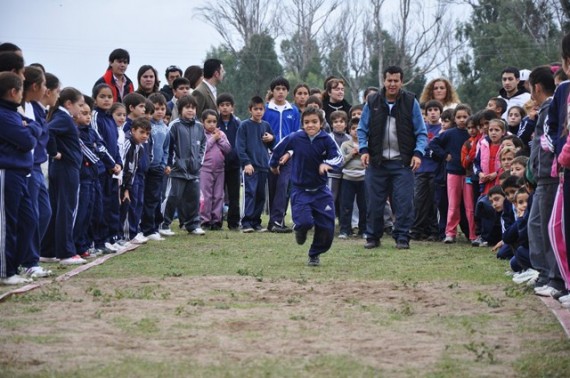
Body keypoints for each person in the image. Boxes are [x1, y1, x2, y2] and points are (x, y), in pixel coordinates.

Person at [357, 66, 428, 250]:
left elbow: (421, 132)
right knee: (373, 202)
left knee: (404, 202)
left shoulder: (411, 101)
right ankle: (372, 236)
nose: (392, 84)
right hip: (376, 163)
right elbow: (362, 129)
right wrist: (364, 150)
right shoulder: (372, 101)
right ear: (384, 80)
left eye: (396, 80)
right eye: (389, 80)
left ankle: (402, 237)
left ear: (401, 81)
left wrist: (418, 154)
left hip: (402, 163)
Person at [270, 107, 343, 266]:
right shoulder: (296, 137)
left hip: (321, 192)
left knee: (327, 229)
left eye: (314, 122)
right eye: (307, 122)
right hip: (300, 190)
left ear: (321, 123)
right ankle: (300, 230)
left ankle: (314, 254)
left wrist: (327, 164)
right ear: (302, 124)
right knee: (304, 222)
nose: (310, 125)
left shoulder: (327, 140)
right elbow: (278, 148)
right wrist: (274, 164)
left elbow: (338, 158)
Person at [527, 65, 565, 297]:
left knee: (546, 228)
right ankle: (543, 272)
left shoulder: (550, 107)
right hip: (541, 176)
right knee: (536, 224)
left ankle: (554, 276)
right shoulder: (544, 109)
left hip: (550, 176)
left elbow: (549, 142)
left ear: (537, 87)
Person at [0, 72, 41, 284]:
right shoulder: (4, 115)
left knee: (28, 219)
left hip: (21, 173)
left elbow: (35, 127)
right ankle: (6, 271)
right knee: (9, 222)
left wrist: (30, 126)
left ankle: (16, 266)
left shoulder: (13, 113)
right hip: (8, 172)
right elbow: (27, 141)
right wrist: (29, 129)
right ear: (14, 92)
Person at [42, 87, 87, 265]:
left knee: (57, 209)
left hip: (61, 168)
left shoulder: (61, 117)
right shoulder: (64, 118)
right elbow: (48, 131)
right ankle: (66, 252)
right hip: (66, 168)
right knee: (67, 209)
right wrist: (54, 152)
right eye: (80, 104)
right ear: (69, 104)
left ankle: (47, 250)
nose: (82, 108)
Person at [17, 66, 53, 277]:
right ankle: (28, 261)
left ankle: (31, 257)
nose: (47, 90)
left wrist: (32, 127)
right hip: (25, 166)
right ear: (35, 86)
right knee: (31, 215)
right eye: (44, 85)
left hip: (37, 165)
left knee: (44, 212)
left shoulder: (36, 108)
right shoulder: (19, 106)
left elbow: (38, 131)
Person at [74, 99, 115, 258]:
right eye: (84, 114)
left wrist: (112, 163)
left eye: (89, 114)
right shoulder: (77, 132)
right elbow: (89, 152)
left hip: (94, 176)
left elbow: (101, 146)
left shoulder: (91, 131)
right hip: (83, 176)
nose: (88, 117)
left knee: (95, 211)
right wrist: (100, 160)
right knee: (82, 213)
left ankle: (87, 244)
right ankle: (78, 245)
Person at [429, 104, 475, 244]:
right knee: (453, 204)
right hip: (452, 172)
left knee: (469, 206)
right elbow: (433, 144)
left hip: (468, 174)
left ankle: (473, 234)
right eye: (459, 117)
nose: (462, 120)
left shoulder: (472, 134)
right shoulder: (449, 133)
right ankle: (450, 233)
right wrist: (445, 155)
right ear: (454, 119)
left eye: (465, 117)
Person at [263, 76, 301, 233]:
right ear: (272, 91)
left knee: (283, 186)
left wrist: (290, 153)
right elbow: (261, 131)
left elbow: (296, 134)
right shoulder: (265, 109)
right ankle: (273, 221)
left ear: (287, 92)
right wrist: (270, 143)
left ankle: (278, 220)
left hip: (287, 156)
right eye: (277, 89)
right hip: (269, 154)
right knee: (272, 188)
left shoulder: (293, 110)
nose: (280, 92)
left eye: (283, 89)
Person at [165, 95, 206, 235]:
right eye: (187, 107)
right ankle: (164, 224)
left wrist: (199, 161)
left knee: (193, 198)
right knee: (174, 197)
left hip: (194, 170)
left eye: (193, 108)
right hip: (178, 170)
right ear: (180, 109)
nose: (190, 110)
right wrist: (175, 162)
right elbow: (169, 146)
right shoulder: (174, 125)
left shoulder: (200, 127)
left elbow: (203, 145)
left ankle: (193, 224)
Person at [90, 84, 123, 253]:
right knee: (100, 205)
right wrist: (110, 164)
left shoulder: (110, 118)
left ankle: (112, 237)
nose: (106, 100)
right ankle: (99, 241)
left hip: (112, 169)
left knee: (112, 205)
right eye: (102, 96)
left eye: (109, 97)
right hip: (101, 169)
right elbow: (98, 143)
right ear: (95, 98)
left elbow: (116, 144)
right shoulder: (95, 116)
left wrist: (118, 163)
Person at [236, 96, 275, 233]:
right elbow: (240, 147)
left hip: (263, 166)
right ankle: (246, 222)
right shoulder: (244, 125)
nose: (258, 112)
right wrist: (246, 163)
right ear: (250, 110)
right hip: (250, 167)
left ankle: (256, 222)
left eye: (261, 109)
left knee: (260, 196)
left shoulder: (266, 125)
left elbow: (273, 146)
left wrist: (272, 138)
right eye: (256, 109)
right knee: (250, 193)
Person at [410, 100, 442, 241]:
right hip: (421, 169)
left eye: (436, 109)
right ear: (426, 113)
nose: (433, 112)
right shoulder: (421, 129)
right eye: (430, 110)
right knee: (419, 200)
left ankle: (435, 231)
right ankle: (417, 229)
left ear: (440, 112)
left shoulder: (443, 129)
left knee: (435, 202)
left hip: (436, 170)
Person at [140, 93, 170, 240]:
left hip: (158, 168)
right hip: (146, 168)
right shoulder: (146, 126)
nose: (159, 111)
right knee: (146, 198)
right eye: (156, 108)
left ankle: (155, 226)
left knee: (156, 197)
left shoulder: (166, 128)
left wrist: (164, 163)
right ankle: (147, 228)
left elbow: (166, 148)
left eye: (162, 108)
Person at [120, 118, 151, 239]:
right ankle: (126, 235)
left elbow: (134, 167)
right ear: (133, 130)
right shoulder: (128, 144)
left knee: (137, 204)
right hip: (124, 182)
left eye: (147, 134)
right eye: (142, 132)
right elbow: (125, 166)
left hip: (132, 180)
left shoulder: (139, 146)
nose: (145, 136)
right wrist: (125, 187)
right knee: (128, 207)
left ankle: (133, 232)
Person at [200, 109, 231, 230]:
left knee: (218, 195)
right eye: (209, 122)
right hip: (205, 169)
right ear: (203, 122)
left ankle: (217, 220)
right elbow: (202, 149)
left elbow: (228, 149)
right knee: (206, 195)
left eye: (214, 121)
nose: (212, 124)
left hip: (220, 169)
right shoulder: (202, 135)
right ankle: (205, 220)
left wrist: (219, 139)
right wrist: (213, 139)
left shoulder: (221, 134)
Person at [339, 117, 367, 239]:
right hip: (347, 178)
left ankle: (364, 230)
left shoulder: (367, 144)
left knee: (364, 206)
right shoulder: (345, 145)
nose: (356, 131)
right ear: (349, 130)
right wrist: (352, 154)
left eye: (358, 128)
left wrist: (363, 154)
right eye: (353, 128)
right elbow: (340, 161)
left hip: (363, 178)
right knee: (346, 205)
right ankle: (345, 230)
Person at [217, 93, 241, 230]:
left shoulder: (237, 123)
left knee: (234, 195)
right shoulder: (215, 122)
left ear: (232, 107)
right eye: (222, 105)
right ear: (218, 107)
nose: (225, 108)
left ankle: (234, 222)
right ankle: (216, 221)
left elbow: (241, 142)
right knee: (218, 195)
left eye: (228, 105)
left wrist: (237, 156)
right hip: (219, 165)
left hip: (234, 164)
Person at [328, 110, 350, 209]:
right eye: (335, 122)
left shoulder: (349, 138)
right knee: (331, 197)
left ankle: (343, 221)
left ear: (345, 124)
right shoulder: (328, 138)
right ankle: (327, 219)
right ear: (331, 124)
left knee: (344, 199)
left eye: (341, 122)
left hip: (346, 174)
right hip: (332, 173)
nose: (338, 124)